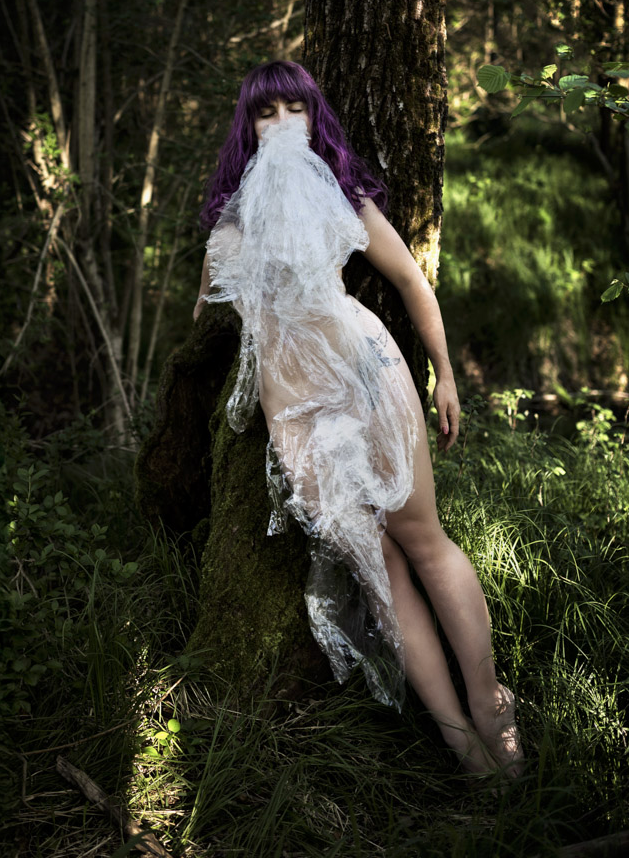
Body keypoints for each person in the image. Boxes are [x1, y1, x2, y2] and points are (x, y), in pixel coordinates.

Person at [193, 60, 522, 777]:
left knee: (422, 540)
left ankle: (495, 718)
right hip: (295, 411)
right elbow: (208, 313)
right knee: (379, 569)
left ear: (315, 119)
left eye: (295, 109)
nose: (282, 124)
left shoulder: (341, 195)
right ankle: (463, 749)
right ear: (247, 127)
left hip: (366, 374)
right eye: (265, 113)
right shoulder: (231, 222)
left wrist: (444, 373)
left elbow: (410, 280)